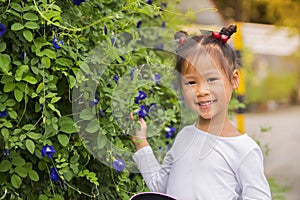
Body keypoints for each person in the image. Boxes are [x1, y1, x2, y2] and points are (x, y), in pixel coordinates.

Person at [131, 25, 271, 200]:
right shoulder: (185, 136)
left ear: (234, 80)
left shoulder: (244, 150)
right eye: (191, 82)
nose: (201, 90)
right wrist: (141, 141)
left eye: (212, 79)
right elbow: (161, 187)